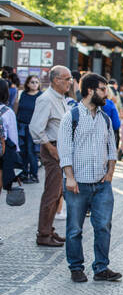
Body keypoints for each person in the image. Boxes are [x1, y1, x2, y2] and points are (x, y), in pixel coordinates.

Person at [57, 73, 120, 283]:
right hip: (78, 183)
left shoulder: (105, 118)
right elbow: (64, 150)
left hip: (101, 183)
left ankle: (101, 267)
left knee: (103, 226)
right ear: (90, 90)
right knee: (74, 228)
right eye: (103, 89)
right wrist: (70, 178)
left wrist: (110, 173)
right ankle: (76, 267)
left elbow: (112, 147)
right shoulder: (71, 117)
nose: (106, 93)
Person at [29, 65, 73, 247]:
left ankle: (48, 229)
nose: (70, 82)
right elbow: (36, 127)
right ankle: (43, 233)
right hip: (53, 148)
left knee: (58, 192)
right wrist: (49, 147)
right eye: (67, 79)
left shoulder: (60, 98)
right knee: (52, 191)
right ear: (56, 80)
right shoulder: (46, 99)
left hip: (61, 147)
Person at [14, 75, 42, 183]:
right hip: (22, 126)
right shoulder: (24, 95)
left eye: (36, 82)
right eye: (32, 82)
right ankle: (24, 173)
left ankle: (34, 174)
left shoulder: (41, 96)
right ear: (27, 84)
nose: (34, 84)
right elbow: (19, 109)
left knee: (31, 152)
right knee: (23, 151)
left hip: (33, 127)